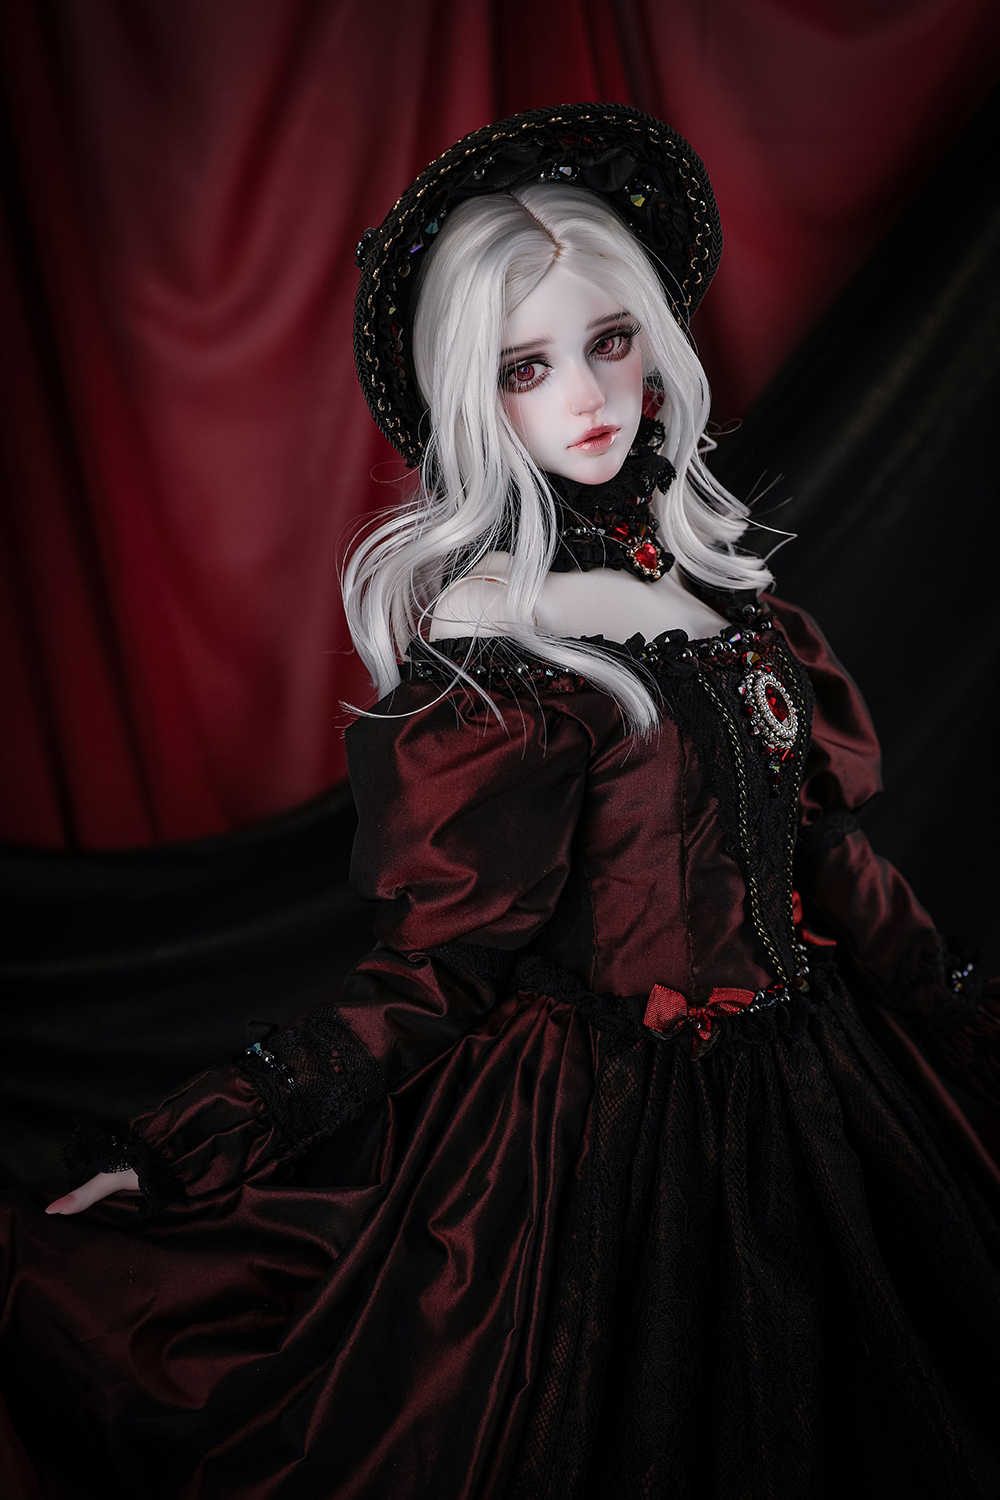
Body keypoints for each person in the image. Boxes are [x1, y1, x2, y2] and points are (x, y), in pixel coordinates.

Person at [2, 102, 999, 1500]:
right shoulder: (498, 636)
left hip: (827, 1089)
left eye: (610, 340)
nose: (586, 393)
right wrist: (196, 1142)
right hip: (608, 1139)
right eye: (526, 366)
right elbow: (439, 968)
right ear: (476, 395)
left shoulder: (728, 594)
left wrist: (962, 1011)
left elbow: (835, 862)